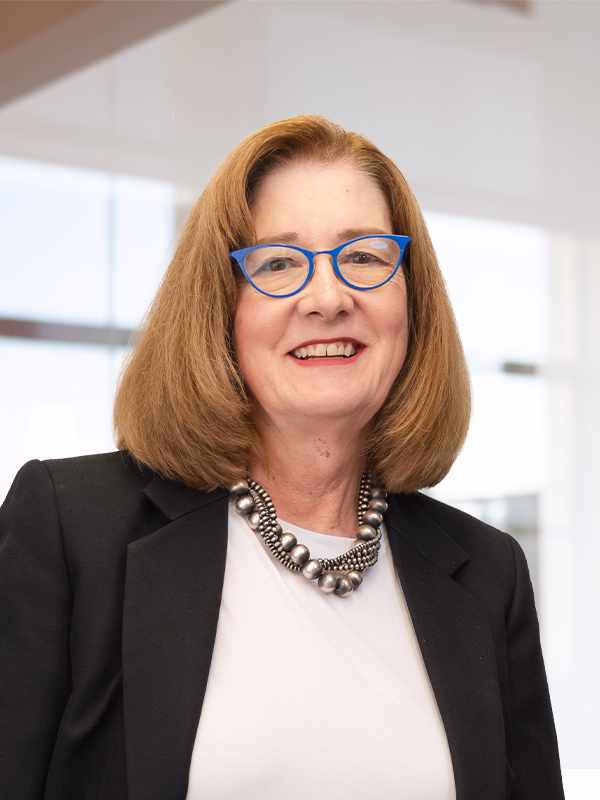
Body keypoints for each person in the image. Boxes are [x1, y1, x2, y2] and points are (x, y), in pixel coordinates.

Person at [0, 115, 563, 800]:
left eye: (364, 257)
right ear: (219, 308)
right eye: (277, 264)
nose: (328, 299)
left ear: (411, 299)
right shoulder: (72, 526)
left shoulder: (488, 573)